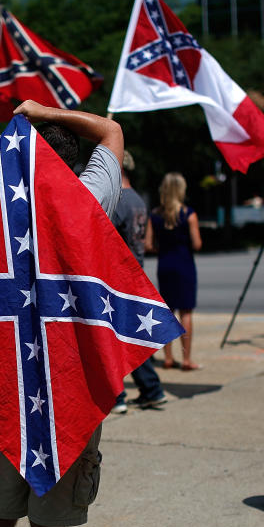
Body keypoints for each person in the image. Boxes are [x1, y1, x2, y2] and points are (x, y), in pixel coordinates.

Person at [0, 100, 122, 527]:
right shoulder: (86, 197)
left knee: (5, 447)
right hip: (67, 363)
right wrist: (43, 109)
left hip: (6, 359)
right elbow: (111, 130)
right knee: (60, 455)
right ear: (73, 162)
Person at [111, 150, 166, 412]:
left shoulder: (117, 201)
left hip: (118, 275)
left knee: (113, 337)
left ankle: (118, 397)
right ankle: (151, 389)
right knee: (133, 337)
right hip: (137, 272)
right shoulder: (138, 201)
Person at [145, 172, 202, 371]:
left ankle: (168, 358)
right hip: (184, 263)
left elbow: (148, 244)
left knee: (167, 312)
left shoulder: (155, 215)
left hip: (165, 264)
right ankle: (186, 359)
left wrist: (163, 248)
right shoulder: (189, 214)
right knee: (186, 310)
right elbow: (197, 243)